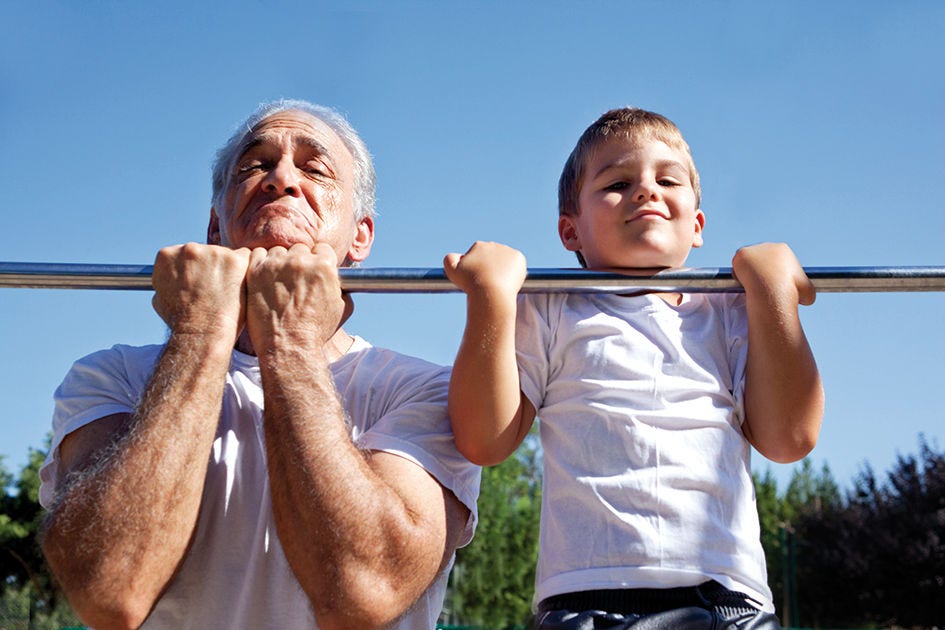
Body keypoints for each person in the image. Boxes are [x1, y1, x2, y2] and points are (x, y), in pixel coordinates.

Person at [39, 99, 480, 630]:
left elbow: (363, 593)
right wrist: (199, 332)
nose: (281, 179)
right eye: (254, 167)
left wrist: (290, 343)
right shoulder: (112, 378)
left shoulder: (423, 390)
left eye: (315, 169)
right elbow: (109, 591)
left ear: (359, 237)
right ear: (214, 225)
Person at [443, 107, 823, 628]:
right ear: (570, 229)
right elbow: (484, 441)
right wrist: (489, 298)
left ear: (697, 225)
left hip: (728, 599)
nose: (647, 191)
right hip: (585, 599)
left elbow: (790, 438)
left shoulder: (732, 310)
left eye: (668, 179)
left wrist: (774, 293)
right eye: (619, 183)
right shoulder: (553, 307)